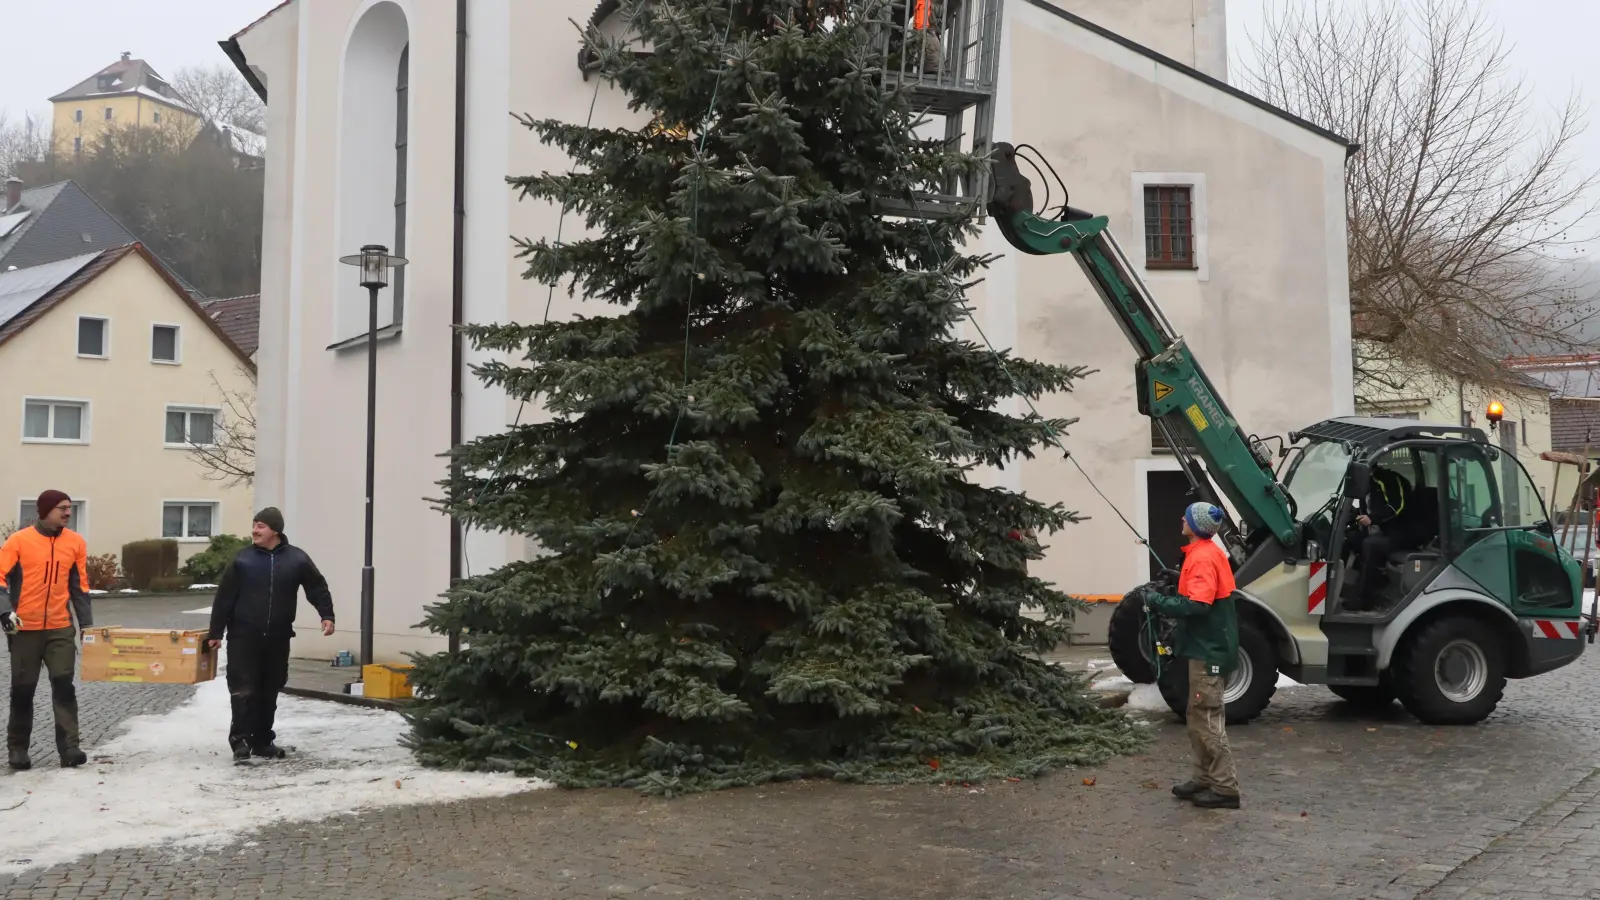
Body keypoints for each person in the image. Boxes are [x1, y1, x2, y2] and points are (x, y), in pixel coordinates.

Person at [207, 508, 336, 761]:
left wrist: (327, 614)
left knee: (270, 689)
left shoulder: (297, 559)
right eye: (254, 525)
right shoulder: (242, 560)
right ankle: (241, 741)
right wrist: (216, 632)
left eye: (261, 526)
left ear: (275, 531)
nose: (255, 530)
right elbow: (224, 598)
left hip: (278, 637)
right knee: (243, 690)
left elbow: (317, 587)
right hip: (243, 637)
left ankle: (263, 741)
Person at [1137, 502, 1241, 810]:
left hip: (1208, 650)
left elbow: (1197, 605)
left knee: (1207, 718)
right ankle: (1203, 779)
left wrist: (1157, 600)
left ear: (1196, 526)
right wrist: (1178, 578)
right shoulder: (1203, 554)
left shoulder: (1203, 558)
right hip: (1205, 647)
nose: (1181, 517)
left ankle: (1225, 787)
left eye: (1187, 515)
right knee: (1197, 716)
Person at [0, 490, 92, 770]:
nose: (68, 513)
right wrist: (5, 611)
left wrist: (87, 625)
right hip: (24, 629)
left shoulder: (75, 542)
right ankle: (17, 749)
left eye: (70, 508)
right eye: (62, 508)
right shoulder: (19, 541)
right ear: (45, 510)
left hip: (60, 628)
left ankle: (70, 749)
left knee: (64, 685)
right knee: (23, 689)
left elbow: (80, 587)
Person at [1346, 465, 1411, 611]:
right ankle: (1344, 586)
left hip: (1400, 532)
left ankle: (1364, 599)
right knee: (1350, 539)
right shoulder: (1364, 485)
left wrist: (1372, 518)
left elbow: (1397, 506)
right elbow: (1368, 508)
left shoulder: (1388, 479)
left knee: (1371, 545)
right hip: (1379, 530)